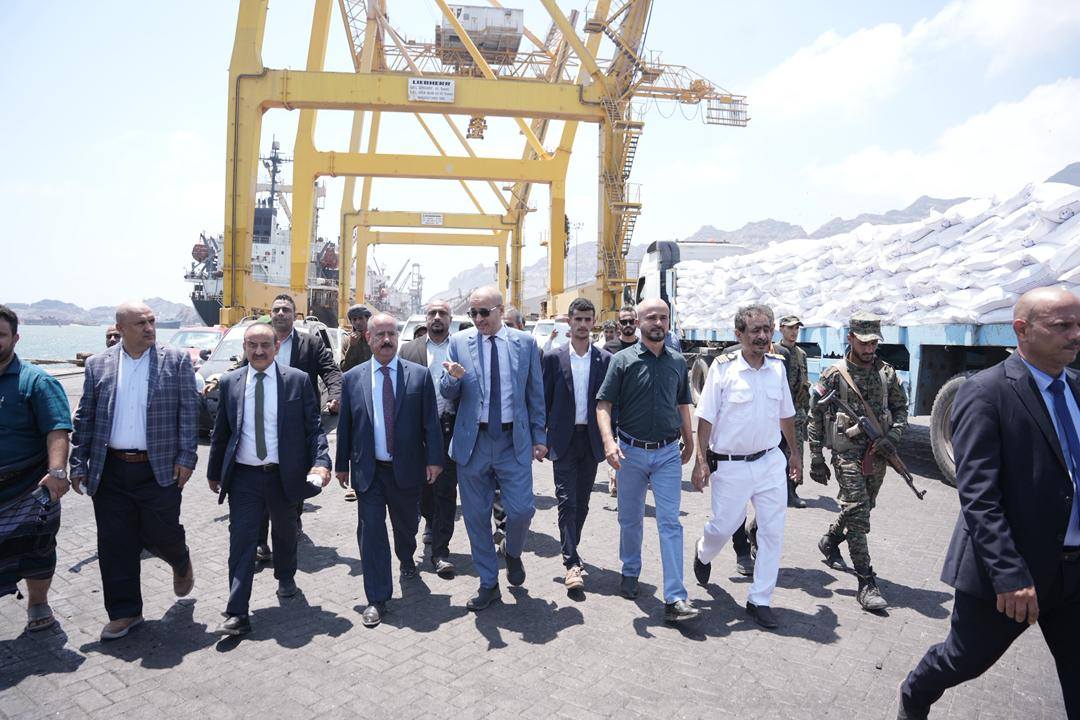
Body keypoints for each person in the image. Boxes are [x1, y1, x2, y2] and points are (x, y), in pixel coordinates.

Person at [899, 287, 1080, 720]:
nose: (1075, 334)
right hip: (1013, 574)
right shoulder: (986, 392)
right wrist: (1009, 575)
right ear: (1022, 330)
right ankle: (916, 692)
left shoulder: (1076, 387)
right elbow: (980, 497)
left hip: (1073, 571)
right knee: (964, 659)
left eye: (1079, 325)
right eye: (1062, 325)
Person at [70, 302, 198, 641]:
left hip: (158, 468)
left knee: (162, 532)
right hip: (110, 469)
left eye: (151, 321)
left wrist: (187, 457)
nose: (149, 328)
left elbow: (189, 412)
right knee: (115, 543)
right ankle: (125, 612)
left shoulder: (176, 361)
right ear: (121, 328)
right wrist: (78, 462)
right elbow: (85, 417)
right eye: (140, 323)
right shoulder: (98, 365)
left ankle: (180, 560)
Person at [206, 323, 331, 636]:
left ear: (277, 347)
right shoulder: (231, 382)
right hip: (244, 478)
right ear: (245, 348)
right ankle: (237, 612)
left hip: (283, 475)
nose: (259, 351)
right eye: (252, 345)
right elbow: (222, 431)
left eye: (265, 345)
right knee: (242, 541)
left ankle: (286, 577)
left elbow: (313, 427)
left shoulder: (297, 381)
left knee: (285, 533)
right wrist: (214, 471)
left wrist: (320, 462)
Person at [690, 305, 802, 629]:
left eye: (767, 329)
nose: (763, 336)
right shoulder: (723, 369)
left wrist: (794, 454)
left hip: (769, 462)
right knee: (724, 526)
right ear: (739, 334)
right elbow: (705, 417)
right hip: (731, 466)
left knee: (772, 532)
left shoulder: (777, 368)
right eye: (755, 330)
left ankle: (760, 599)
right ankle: (703, 551)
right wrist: (701, 462)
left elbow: (786, 415)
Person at [440, 286, 546, 610]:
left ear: (501, 310)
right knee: (475, 517)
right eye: (473, 313)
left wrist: (540, 437)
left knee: (522, 510)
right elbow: (447, 391)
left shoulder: (525, 344)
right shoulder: (459, 342)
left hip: (513, 441)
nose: (478, 319)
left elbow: (535, 393)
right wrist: (453, 379)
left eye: (484, 312)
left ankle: (512, 552)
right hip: (473, 442)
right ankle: (488, 583)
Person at [596, 298, 699, 623]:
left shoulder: (677, 362)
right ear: (639, 322)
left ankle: (675, 597)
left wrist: (690, 439)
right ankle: (630, 570)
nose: (658, 323)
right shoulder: (622, 361)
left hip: (668, 453)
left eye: (663, 317)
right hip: (630, 453)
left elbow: (682, 403)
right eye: (651, 317)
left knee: (670, 523)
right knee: (630, 518)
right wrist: (609, 442)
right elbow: (603, 405)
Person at [337, 313, 443, 627]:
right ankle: (377, 597)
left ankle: (407, 556)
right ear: (368, 338)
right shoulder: (352, 378)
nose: (387, 340)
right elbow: (346, 426)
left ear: (398, 338)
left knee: (406, 526)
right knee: (371, 531)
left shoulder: (418, 376)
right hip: (369, 470)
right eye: (380, 335)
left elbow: (430, 423)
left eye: (392, 334)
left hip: (407, 469)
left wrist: (434, 459)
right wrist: (342, 465)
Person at [808, 311, 908, 612]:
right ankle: (866, 581)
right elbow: (815, 416)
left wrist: (894, 436)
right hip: (846, 453)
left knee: (864, 507)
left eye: (873, 343)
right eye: (864, 343)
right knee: (857, 511)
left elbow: (901, 409)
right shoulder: (834, 375)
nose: (869, 349)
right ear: (850, 338)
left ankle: (830, 539)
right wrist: (816, 458)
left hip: (878, 453)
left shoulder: (887, 374)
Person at [0, 305, 73, 633]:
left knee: (37, 550)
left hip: (28, 487)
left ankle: (38, 603)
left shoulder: (37, 381)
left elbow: (57, 429)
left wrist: (57, 473)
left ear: (15, 338)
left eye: (1, 335)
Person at [256, 294, 342, 558]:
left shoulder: (310, 343)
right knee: (263, 478)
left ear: (295, 315)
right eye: (277, 309)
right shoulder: (261, 342)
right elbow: (244, 367)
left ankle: (292, 520)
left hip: (297, 423)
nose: (281, 313)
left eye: (286, 309)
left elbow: (330, 370)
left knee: (295, 477)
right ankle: (260, 540)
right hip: (264, 421)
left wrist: (336, 394)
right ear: (271, 314)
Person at [541, 298, 611, 592]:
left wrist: (611, 440)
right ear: (569, 321)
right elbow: (543, 401)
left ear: (594, 322)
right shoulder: (553, 359)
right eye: (578, 319)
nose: (583, 324)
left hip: (591, 441)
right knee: (566, 500)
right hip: (563, 441)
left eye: (587, 319)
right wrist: (539, 438)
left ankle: (572, 547)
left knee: (582, 502)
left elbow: (610, 403)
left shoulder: (605, 360)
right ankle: (571, 563)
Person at [400, 300, 459, 578]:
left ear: (450, 319)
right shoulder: (408, 350)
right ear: (425, 318)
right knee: (422, 491)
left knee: (446, 491)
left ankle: (440, 552)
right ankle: (429, 523)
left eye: (442, 313)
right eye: (432, 313)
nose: (437, 317)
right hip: (418, 432)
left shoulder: (461, 348)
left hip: (450, 429)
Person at [778, 315, 810, 508]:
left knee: (795, 453)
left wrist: (805, 411)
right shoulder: (773, 351)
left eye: (797, 328)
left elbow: (804, 383)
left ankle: (791, 492)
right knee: (776, 454)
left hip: (795, 413)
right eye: (790, 328)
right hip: (775, 413)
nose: (794, 332)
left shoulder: (800, 354)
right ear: (781, 329)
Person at [340, 303, 373, 373]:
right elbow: (344, 369)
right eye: (354, 319)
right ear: (351, 322)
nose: (358, 322)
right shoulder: (347, 341)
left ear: (367, 319)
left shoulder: (376, 338)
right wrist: (352, 346)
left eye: (361, 318)